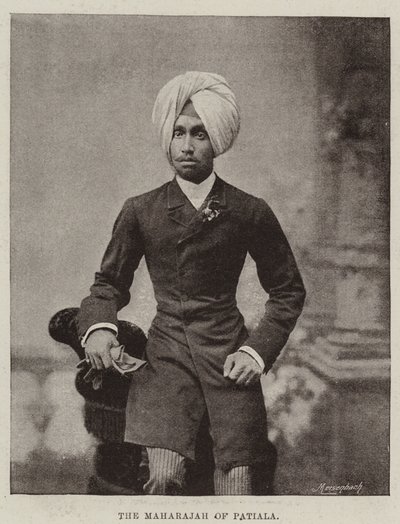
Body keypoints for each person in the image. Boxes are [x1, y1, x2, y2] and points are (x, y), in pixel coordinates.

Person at [77, 71, 306, 495]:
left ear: (216, 140)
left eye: (199, 134)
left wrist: (256, 352)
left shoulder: (249, 211)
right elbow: (107, 284)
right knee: (162, 479)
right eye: (178, 132)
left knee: (236, 485)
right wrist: (99, 327)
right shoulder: (141, 210)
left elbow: (288, 290)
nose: (186, 145)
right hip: (167, 359)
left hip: (229, 357)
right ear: (167, 138)